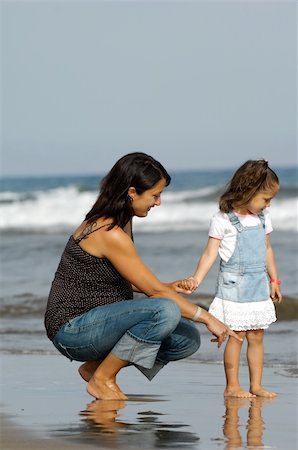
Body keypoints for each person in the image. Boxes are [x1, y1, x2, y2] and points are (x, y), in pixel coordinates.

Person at [44, 152, 240, 401]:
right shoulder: (107, 231)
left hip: (99, 321)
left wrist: (165, 287)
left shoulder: (121, 222)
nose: (158, 202)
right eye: (155, 195)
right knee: (165, 311)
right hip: (72, 330)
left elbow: (127, 280)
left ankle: (96, 369)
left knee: (187, 339)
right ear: (132, 192)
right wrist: (208, 318)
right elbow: (156, 295)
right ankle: (102, 380)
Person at [178, 160, 282, 398]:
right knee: (236, 336)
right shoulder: (224, 219)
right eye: (266, 199)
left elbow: (267, 250)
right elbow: (209, 253)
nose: (268, 204)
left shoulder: (263, 218)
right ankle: (232, 386)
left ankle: (256, 385)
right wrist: (196, 278)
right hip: (233, 289)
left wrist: (274, 280)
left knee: (257, 336)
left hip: (257, 287)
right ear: (248, 191)